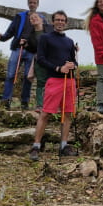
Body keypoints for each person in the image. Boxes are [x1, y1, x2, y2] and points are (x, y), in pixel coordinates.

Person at [29, 10, 78, 161]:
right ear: (52, 22)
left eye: (63, 20)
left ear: (66, 23)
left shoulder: (69, 41)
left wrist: (73, 65)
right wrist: (58, 68)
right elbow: (41, 59)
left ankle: (64, 145)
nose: (60, 22)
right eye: (57, 20)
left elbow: (74, 61)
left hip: (69, 81)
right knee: (46, 113)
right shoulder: (45, 38)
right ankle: (36, 146)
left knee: (68, 113)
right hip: (54, 80)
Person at [0, 0, 42, 110]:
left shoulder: (41, 18)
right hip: (18, 49)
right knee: (11, 74)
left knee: (28, 77)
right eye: (30, 2)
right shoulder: (19, 17)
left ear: (37, 5)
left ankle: (25, 102)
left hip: (31, 51)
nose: (32, 4)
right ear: (28, 4)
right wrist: (1, 37)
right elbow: (11, 31)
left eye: (34, 3)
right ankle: (6, 100)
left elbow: (43, 35)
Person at [24, 12, 53, 111]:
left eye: (35, 17)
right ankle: (40, 105)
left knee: (52, 81)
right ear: (30, 22)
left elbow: (59, 39)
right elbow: (32, 49)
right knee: (41, 82)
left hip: (52, 59)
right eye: (31, 19)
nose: (33, 19)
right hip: (39, 60)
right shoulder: (30, 35)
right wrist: (25, 45)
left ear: (41, 19)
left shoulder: (50, 29)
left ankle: (52, 104)